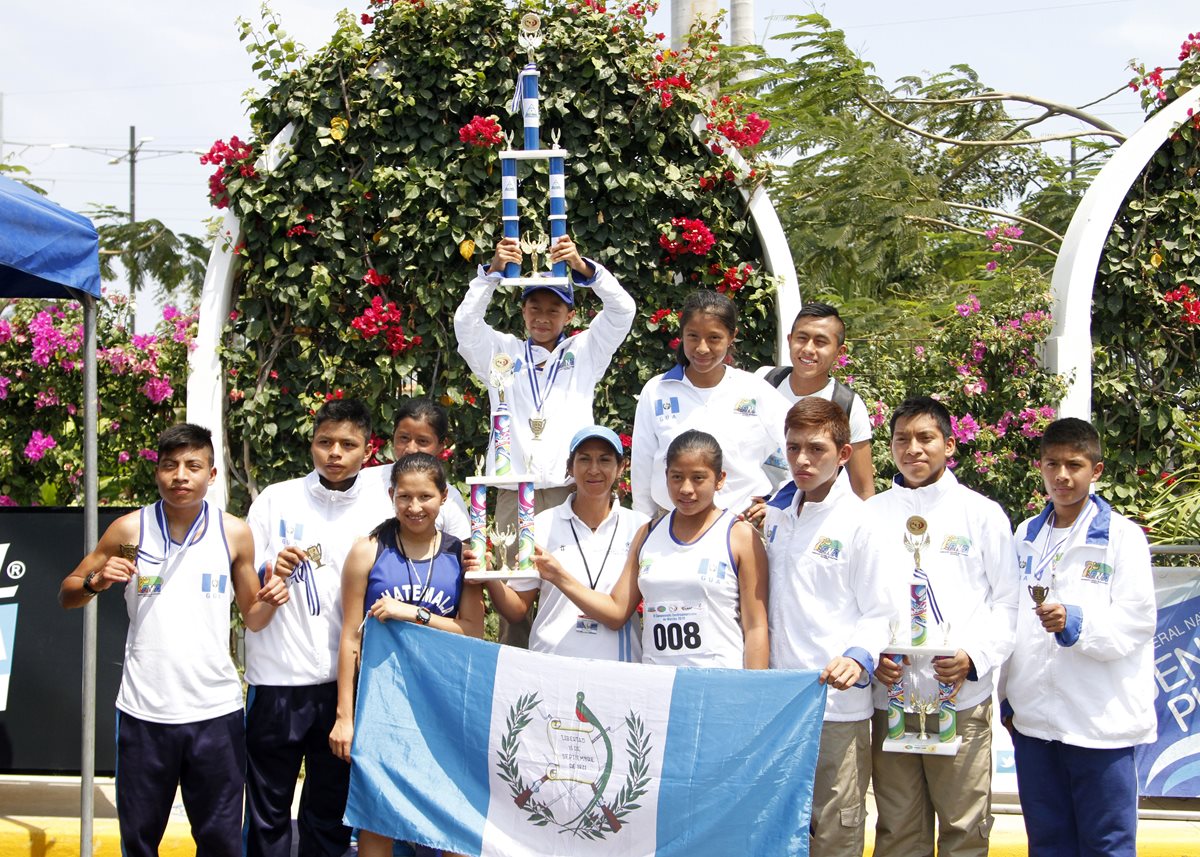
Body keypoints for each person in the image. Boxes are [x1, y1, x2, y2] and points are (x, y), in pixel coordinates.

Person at [58, 424, 287, 857]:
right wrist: (95, 581)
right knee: (140, 842)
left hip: (215, 713)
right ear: (157, 472)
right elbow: (68, 592)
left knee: (220, 843)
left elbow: (253, 617)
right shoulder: (130, 532)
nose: (180, 475)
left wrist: (272, 598)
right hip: (145, 713)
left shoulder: (233, 533)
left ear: (212, 475)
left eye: (192, 466)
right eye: (170, 466)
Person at [454, 235, 634, 646]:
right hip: (512, 493)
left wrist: (586, 270)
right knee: (513, 609)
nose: (543, 316)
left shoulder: (585, 351)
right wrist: (491, 274)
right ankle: (517, 691)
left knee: (569, 592)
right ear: (522, 311)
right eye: (535, 306)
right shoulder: (500, 352)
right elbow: (466, 324)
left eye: (554, 308)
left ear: (569, 314)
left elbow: (623, 311)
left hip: (568, 492)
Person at [861, 396, 1016, 857]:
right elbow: (855, 603)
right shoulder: (869, 515)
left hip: (959, 698)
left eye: (926, 437)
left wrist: (974, 658)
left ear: (950, 444)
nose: (914, 449)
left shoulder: (982, 514)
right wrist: (872, 656)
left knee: (964, 828)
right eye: (902, 439)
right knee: (897, 831)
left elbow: (1008, 603)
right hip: (892, 698)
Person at [1000, 418, 1156, 856]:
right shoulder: (1026, 535)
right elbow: (1010, 621)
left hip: (1099, 724)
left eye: (1075, 465)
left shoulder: (1123, 539)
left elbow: (1136, 624)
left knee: (1107, 846)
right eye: (1052, 464)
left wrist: (1076, 622)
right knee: (1048, 845)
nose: (1062, 476)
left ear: (1097, 471)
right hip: (1036, 724)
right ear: (1040, 466)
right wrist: (1008, 698)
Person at [243, 398, 391, 857]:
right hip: (275, 681)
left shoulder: (383, 506)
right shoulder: (276, 498)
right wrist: (272, 569)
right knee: (267, 815)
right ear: (311, 444)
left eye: (348, 444)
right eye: (325, 442)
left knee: (326, 816)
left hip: (340, 685)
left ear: (367, 451)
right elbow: (245, 574)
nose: (335, 453)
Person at [330, 453, 485, 857]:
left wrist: (415, 614)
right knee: (378, 817)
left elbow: (472, 631)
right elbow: (350, 637)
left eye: (425, 497)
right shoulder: (368, 551)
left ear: (444, 497)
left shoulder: (462, 555)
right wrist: (345, 717)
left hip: (443, 703)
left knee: (451, 818)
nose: (415, 507)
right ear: (391, 497)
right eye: (404, 497)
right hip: (382, 703)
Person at [763, 399, 891, 857]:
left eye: (815, 449)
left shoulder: (863, 522)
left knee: (836, 828)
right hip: (780, 698)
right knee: (779, 825)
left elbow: (882, 609)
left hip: (836, 704)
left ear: (843, 454)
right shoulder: (776, 515)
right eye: (793, 447)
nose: (801, 459)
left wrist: (858, 657)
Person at [538, 429, 769, 669]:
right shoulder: (647, 534)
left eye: (698, 478)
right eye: (677, 477)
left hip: (718, 683)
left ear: (720, 479)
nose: (686, 489)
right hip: (658, 685)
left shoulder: (738, 536)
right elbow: (617, 611)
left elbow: (756, 627)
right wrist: (558, 575)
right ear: (666, 476)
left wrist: (755, 694)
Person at [486, 425, 648, 661]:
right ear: (569, 467)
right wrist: (488, 576)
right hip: (552, 663)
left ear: (621, 467)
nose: (594, 469)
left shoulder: (639, 527)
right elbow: (518, 608)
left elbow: (620, 614)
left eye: (604, 460)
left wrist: (558, 575)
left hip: (619, 667)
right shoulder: (540, 524)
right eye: (584, 459)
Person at [631, 289, 789, 519]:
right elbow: (642, 466)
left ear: (731, 336)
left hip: (740, 522)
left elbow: (800, 441)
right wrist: (644, 525)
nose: (702, 348)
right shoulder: (657, 391)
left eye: (714, 338)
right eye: (693, 336)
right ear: (682, 334)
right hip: (672, 523)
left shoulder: (754, 390)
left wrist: (781, 501)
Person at [756, 302, 876, 498]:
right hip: (754, 513)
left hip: (812, 518)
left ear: (840, 352)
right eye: (801, 338)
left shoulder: (847, 405)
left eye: (821, 342)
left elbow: (863, 489)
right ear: (789, 340)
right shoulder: (764, 381)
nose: (808, 349)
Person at [358, 397, 471, 541]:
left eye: (422, 441)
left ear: (441, 446)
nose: (411, 449)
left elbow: (462, 551)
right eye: (404, 438)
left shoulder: (451, 499)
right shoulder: (364, 481)